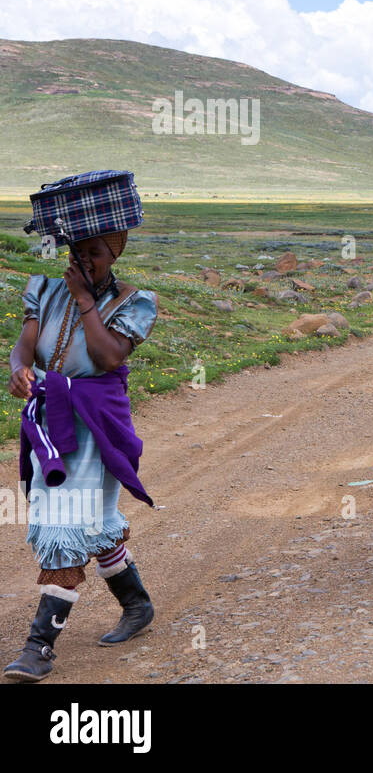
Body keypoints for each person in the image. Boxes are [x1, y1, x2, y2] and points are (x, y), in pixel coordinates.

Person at [5, 230, 159, 682]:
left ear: (114, 254)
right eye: (79, 252)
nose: (84, 260)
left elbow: (108, 357)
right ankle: (136, 604)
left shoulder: (135, 302)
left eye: (95, 253)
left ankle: (39, 647)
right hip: (52, 419)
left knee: (66, 524)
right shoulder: (45, 289)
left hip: (97, 425)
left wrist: (86, 301)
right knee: (89, 519)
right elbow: (25, 344)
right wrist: (19, 369)